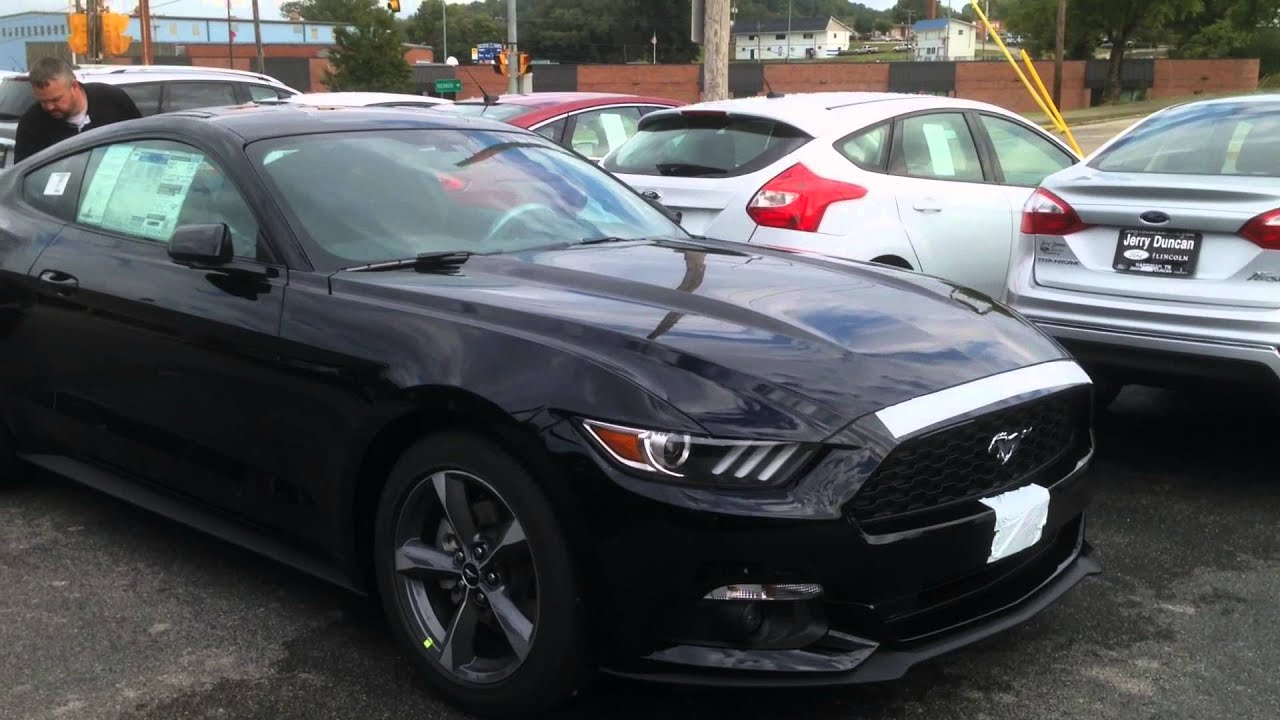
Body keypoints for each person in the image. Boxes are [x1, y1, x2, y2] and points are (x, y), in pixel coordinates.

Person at [13, 57, 141, 164]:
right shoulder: (32, 124)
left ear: (74, 86)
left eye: (56, 99)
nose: (49, 107)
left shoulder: (112, 100)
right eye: (42, 101)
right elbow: (23, 172)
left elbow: (142, 140)